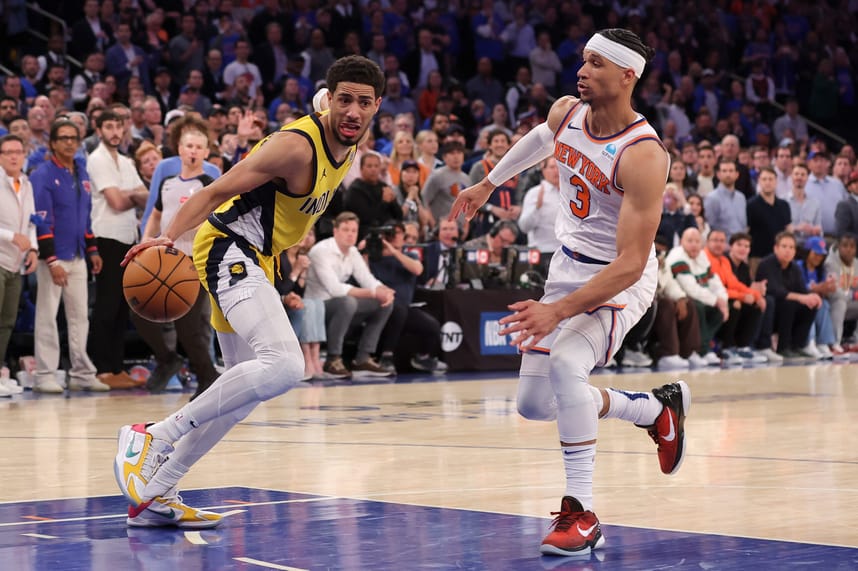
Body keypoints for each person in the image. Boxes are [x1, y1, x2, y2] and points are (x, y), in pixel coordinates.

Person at [113, 56, 385, 528]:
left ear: (377, 106)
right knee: (284, 364)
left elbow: (329, 103)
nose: (353, 111)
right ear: (331, 99)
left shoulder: (348, 133)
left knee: (242, 393)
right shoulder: (295, 149)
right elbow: (214, 191)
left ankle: (155, 494)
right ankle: (151, 435)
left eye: (364, 103)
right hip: (226, 246)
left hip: (258, 257)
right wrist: (167, 237)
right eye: (344, 99)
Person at [449, 28, 688, 557]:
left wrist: (555, 310)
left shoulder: (644, 155)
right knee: (535, 405)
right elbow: (542, 139)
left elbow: (629, 265)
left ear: (628, 76)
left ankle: (581, 513)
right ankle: (653, 410)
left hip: (618, 280)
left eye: (596, 63)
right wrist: (490, 182)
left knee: (565, 363)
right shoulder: (567, 112)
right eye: (582, 60)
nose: (581, 71)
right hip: (567, 267)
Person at [138, 127, 220, 398]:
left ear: (206, 152)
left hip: (194, 262)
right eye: (189, 146)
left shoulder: (209, 183)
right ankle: (167, 359)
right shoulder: (168, 182)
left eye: (199, 147)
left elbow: (217, 220)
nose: (194, 151)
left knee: (189, 327)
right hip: (163, 261)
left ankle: (207, 377)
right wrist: (145, 239)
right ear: (180, 150)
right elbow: (155, 214)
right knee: (139, 310)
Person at [303, 211, 396, 378]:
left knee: (384, 304)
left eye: (354, 230)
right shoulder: (320, 251)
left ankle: (363, 358)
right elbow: (335, 289)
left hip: (341, 304)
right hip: (317, 307)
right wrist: (374, 292)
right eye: (346, 229)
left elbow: (367, 278)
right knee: (348, 302)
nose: (350, 234)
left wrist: (384, 291)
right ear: (335, 231)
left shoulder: (353, 252)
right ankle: (333, 359)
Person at [0, 134, 38, 396]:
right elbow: (16, 232)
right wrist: (12, 236)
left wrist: (33, 248)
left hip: (15, 263)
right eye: (8, 152)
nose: (14, 156)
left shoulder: (26, 183)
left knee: (7, 321)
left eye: (18, 151)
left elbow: (32, 222)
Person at [755, 232, 822, 359]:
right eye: (784, 246)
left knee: (810, 305)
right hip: (769, 310)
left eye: (791, 247)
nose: (788, 251)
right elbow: (774, 290)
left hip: (785, 310)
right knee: (789, 303)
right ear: (776, 248)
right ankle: (783, 347)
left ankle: (799, 345)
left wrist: (813, 296)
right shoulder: (766, 264)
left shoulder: (795, 267)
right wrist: (801, 297)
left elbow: (802, 290)